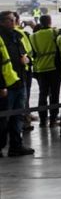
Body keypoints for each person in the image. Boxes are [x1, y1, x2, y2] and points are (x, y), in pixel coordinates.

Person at [0, 11, 34, 156]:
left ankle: (16, 146)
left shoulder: (18, 36)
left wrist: (27, 61)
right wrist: (1, 85)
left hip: (20, 80)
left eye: (14, 19)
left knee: (18, 116)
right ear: (2, 22)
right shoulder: (2, 38)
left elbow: (26, 56)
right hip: (7, 85)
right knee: (3, 118)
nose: (14, 22)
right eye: (10, 20)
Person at [29, 14, 61, 127]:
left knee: (42, 94)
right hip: (54, 68)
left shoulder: (33, 36)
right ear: (50, 21)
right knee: (54, 95)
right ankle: (53, 119)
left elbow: (32, 52)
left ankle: (42, 120)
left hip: (41, 68)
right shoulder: (54, 32)